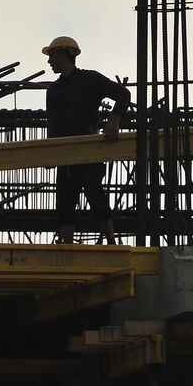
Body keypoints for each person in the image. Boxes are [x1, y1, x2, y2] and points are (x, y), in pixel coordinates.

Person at [43, 35, 130, 244]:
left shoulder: (90, 79)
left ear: (67, 54)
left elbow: (123, 94)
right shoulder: (53, 90)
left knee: (94, 191)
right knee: (65, 200)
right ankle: (68, 247)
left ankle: (110, 241)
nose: (49, 61)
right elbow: (53, 127)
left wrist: (114, 119)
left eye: (52, 55)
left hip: (90, 150)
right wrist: (49, 154)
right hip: (66, 153)